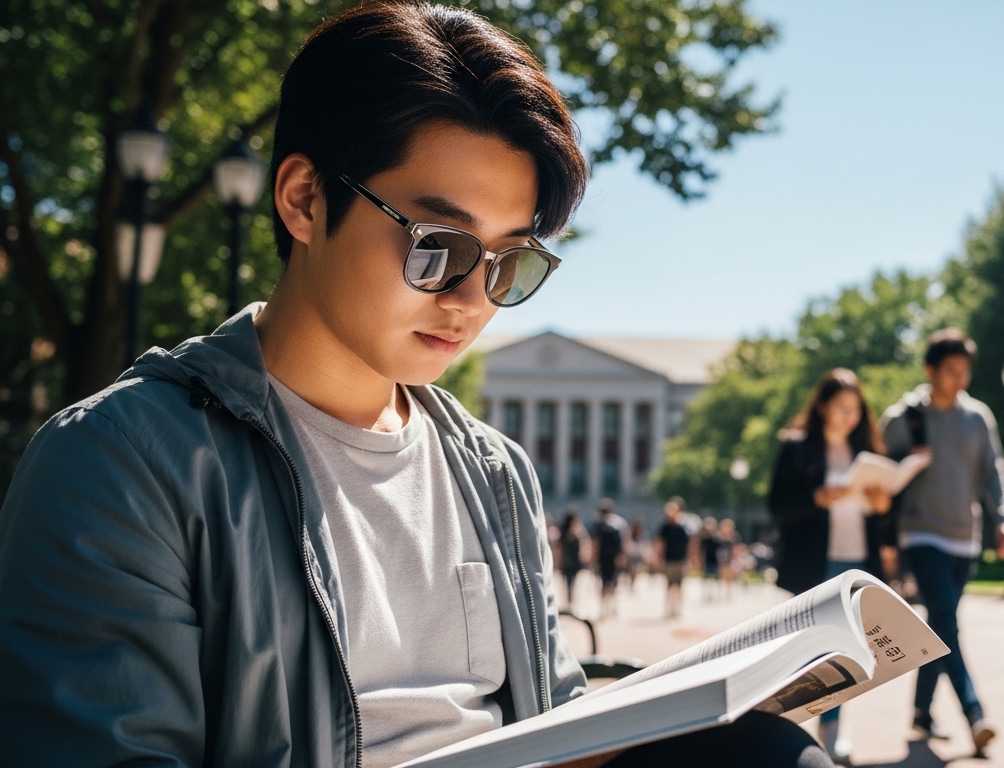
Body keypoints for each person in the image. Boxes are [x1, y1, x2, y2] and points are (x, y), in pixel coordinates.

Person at [0, 6, 833, 768]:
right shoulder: (119, 466)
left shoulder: (493, 471)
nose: (472, 301)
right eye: (438, 245)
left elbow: (553, 722)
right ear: (303, 199)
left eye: (511, 261)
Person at [880, 329, 1004, 752]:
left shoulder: (978, 417)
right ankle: (975, 714)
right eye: (951, 370)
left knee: (940, 627)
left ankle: (921, 712)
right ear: (930, 371)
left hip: (964, 537)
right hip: (921, 533)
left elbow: (994, 472)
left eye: (965, 371)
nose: (960, 379)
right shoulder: (905, 417)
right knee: (947, 622)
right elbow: (880, 472)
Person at [767, 368, 893, 761]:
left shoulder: (865, 451)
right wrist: (818, 498)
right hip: (813, 563)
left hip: (857, 561)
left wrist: (882, 505)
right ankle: (787, 732)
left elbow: (882, 518)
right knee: (810, 653)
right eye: (841, 407)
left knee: (847, 650)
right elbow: (777, 505)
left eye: (855, 409)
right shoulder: (797, 447)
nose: (848, 416)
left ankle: (834, 728)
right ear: (821, 406)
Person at [593, 498, 629, 620]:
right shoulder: (619, 523)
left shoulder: (599, 524)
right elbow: (624, 541)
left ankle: (604, 607)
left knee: (603, 582)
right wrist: (623, 555)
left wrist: (593, 557)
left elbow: (596, 543)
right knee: (613, 582)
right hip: (614, 557)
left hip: (603, 558)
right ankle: (612, 607)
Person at [657, 497, 693, 619]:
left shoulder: (684, 526)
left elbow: (690, 544)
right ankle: (668, 608)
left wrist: (691, 559)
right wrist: (659, 557)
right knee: (669, 585)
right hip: (669, 559)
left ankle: (677, 609)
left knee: (679, 586)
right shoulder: (665, 527)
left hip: (680, 559)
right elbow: (661, 543)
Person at [557, 507, 588, 612]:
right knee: (569, 582)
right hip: (569, 560)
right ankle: (569, 601)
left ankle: (569, 600)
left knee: (570, 581)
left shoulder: (574, 530)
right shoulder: (568, 531)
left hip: (570, 560)